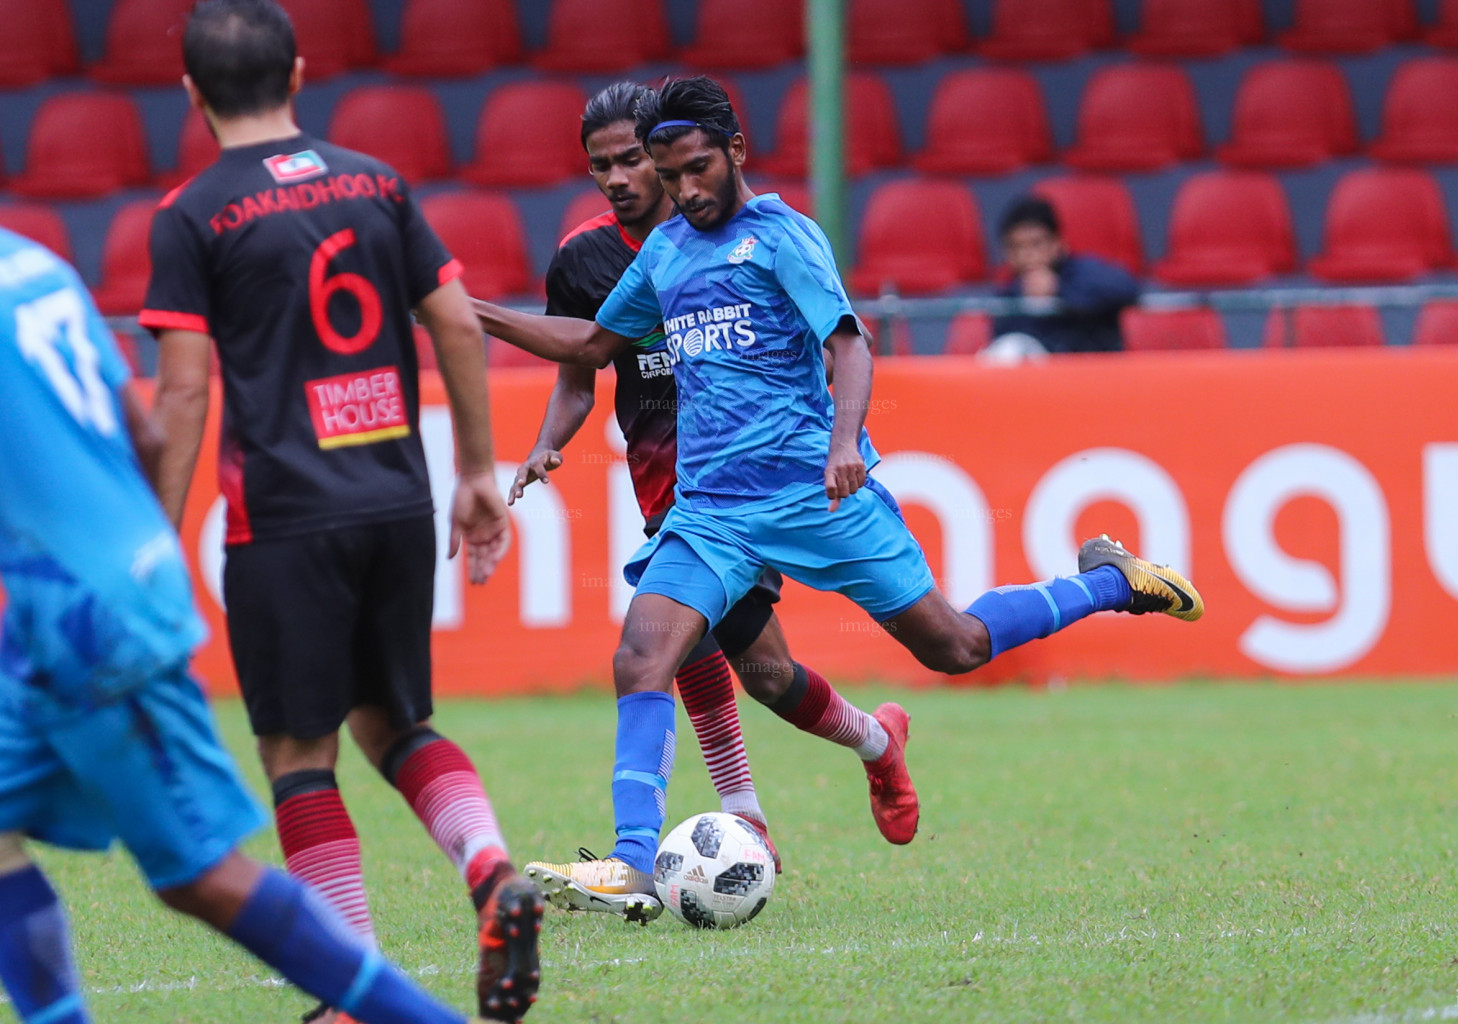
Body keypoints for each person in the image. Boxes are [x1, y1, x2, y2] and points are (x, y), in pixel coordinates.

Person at [474, 76, 1205, 911]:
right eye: (672, 178)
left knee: (954, 646)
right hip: (711, 509)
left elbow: (847, 345)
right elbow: (595, 341)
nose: (686, 191)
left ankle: (1113, 580)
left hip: (814, 491)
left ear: (736, 153)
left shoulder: (784, 237)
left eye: (698, 170)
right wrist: (469, 313)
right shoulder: (669, 249)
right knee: (642, 655)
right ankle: (632, 862)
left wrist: (841, 441)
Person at [0, 226, 517, 1024]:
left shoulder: (196, 215)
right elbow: (142, 432)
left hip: (86, 616)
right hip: (99, 592)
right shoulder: (37, 266)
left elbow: (179, 394)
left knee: (199, 873)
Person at [138, 2, 540, 1020]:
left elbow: (184, 393)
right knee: (395, 722)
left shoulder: (190, 213)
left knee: (296, 752)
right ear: (300, 74)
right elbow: (451, 315)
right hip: (397, 500)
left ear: (191, 95)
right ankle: (490, 865)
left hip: (283, 518)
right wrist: (479, 469)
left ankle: (351, 984)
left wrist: (150, 535)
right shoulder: (379, 183)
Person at [482, 83, 916, 921]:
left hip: (752, 483)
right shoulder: (584, 261)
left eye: (630, 159)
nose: (616, 176)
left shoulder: (742, 239)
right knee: (753, 669)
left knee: (700, 658)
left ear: (672, 153)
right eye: (599, 164)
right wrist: (550, 439)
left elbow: (836, 337)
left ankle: (691, 835)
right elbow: (582, 367)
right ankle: (867, 745)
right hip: (668, 484)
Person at [986, 196, 1140, 358]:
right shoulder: (1008, 300)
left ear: (1058, 243)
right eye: (1016, 247)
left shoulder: (1084, 272)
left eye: (1036, 243)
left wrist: (1059, 288)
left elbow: (1127, 288)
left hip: (1095, 376)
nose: (1026, 255)